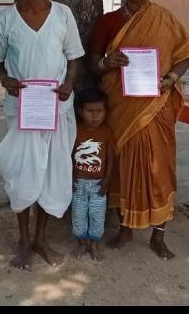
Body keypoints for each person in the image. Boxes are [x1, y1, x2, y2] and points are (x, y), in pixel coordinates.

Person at [88, 0, 189, 259]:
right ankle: (125, 229)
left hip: (156, 106)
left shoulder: (165, 19)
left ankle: (158, 235)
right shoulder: (108, 22)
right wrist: (106, 62)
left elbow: (185, 55)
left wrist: (171, 79)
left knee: (158, 167)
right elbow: (93, 63)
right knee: (123, 167)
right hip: (121, 107)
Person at [0, 0, 83, 269]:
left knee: (50, 171)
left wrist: (69, 82)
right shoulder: (5, 20)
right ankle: (23, 240)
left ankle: (41, 238)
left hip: (56, 106)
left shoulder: (63, 14)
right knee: (22, 172)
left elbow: (73, 57)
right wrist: (6, 81)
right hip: (22, 109)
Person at [70, 88, 115, 261]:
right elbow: (68, 154)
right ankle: (82, 243)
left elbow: (110, 157)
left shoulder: (106, 132)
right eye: (90, 111)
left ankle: (94, 244)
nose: (95, 116)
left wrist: (107, 181)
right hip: (78, 184)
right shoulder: (75, 130)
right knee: (78, 214)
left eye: (99, 111)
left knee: (97, 215)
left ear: (105, 111)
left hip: (98, 185)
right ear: (80, 111)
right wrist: (70, 176)